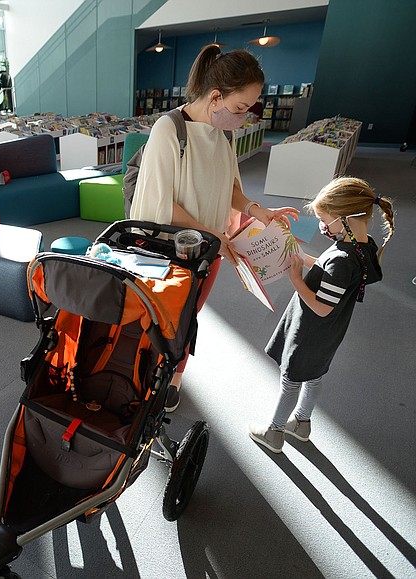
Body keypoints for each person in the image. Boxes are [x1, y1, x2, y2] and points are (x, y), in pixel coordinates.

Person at [130, 44, 299, 411]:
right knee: (160, 317)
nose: (243, 118)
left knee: (189, 315)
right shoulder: (168, 130)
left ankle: (173, 377)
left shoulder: (224, 132)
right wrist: (211, 235)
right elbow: (161, 205)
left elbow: (229, 187)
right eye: (240, 108)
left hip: (212, 250)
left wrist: (258, 210)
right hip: (172, 251)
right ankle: (142, 376)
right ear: (216, 96)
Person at [248, 177, 395, 453]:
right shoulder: (364, 248)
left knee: (291, 379)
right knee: (314, 375)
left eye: (326, 221)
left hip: (311, 330)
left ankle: (274, 431)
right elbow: (336, 279)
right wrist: (305, 259)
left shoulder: (341, 258)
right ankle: (302, 423)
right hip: (331, 333)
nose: (323, 227)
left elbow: (321, 306)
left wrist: (296, 279)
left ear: (346, 219)